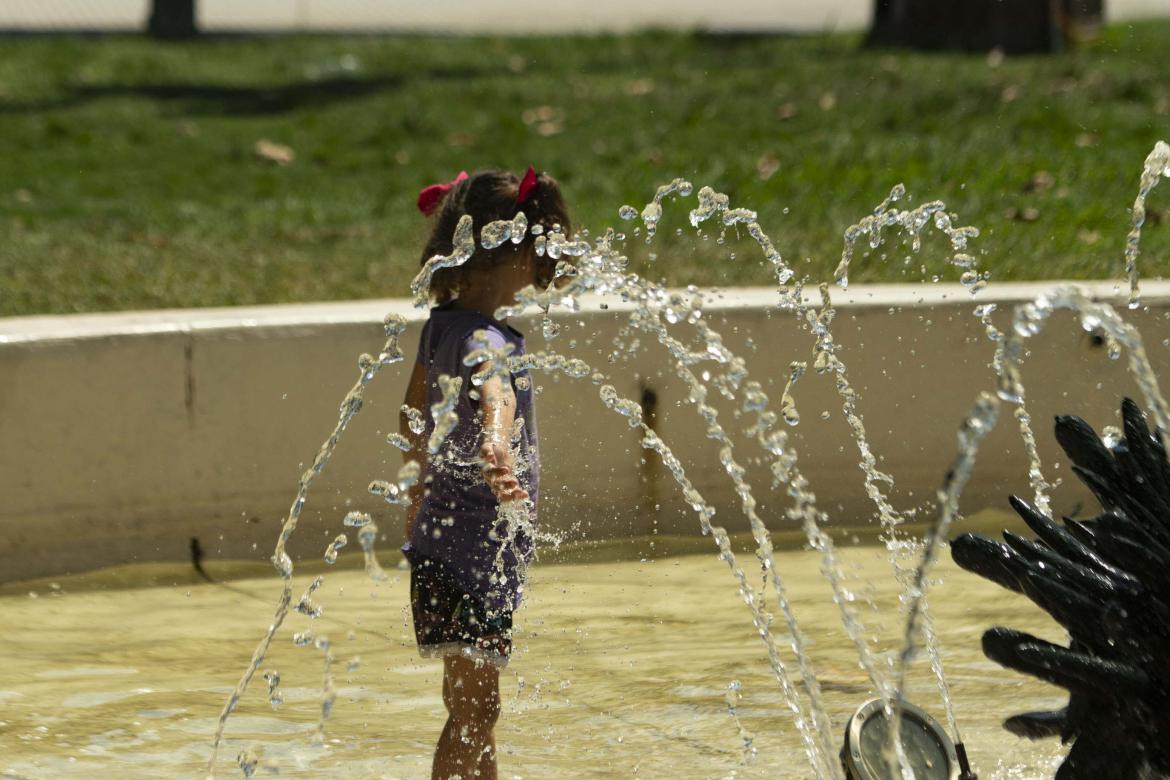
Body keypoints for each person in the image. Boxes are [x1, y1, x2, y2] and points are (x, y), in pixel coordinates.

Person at [400, 166, 571, 780]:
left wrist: (416, 478)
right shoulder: (486, 337)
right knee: (475, 711)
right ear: (509, 254)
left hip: (441, 552)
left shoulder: (439, 326)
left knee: (472, 708)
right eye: (538, 252)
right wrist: (498, 445)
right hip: (474, 556)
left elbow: (409, 408)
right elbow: (492, 387)